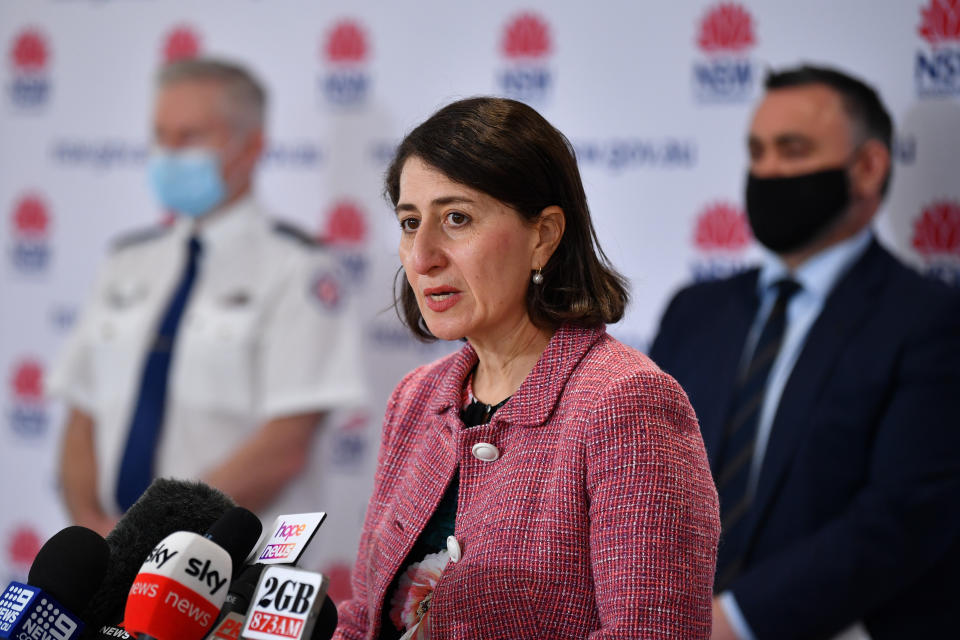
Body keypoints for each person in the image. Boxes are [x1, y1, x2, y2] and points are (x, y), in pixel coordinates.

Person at [333, 97, 720, 640]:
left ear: (544, 236)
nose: (422, 256)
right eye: (409, 221)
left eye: (456, 218)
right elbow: (363, 616)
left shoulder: (626, 401)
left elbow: (653, 632)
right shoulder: (417, 396)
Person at [650, 65, 960, 640]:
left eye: (792, 151)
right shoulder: (696, 312)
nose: (767, 172)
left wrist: (735, 620)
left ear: (868, 168)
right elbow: (644, 476)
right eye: (756, 152)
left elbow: (902, 515)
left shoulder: (929, 320)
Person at [48, 58, 365, 534]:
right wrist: (92, 532)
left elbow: (284, 446)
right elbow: (81, 414)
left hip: (229, 574)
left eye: (190, 137)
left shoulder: (298, 269)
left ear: (252, 146)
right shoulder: (125, 262)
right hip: (108, 571)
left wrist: (148, 537)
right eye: (161, 135)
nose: (169, 153)